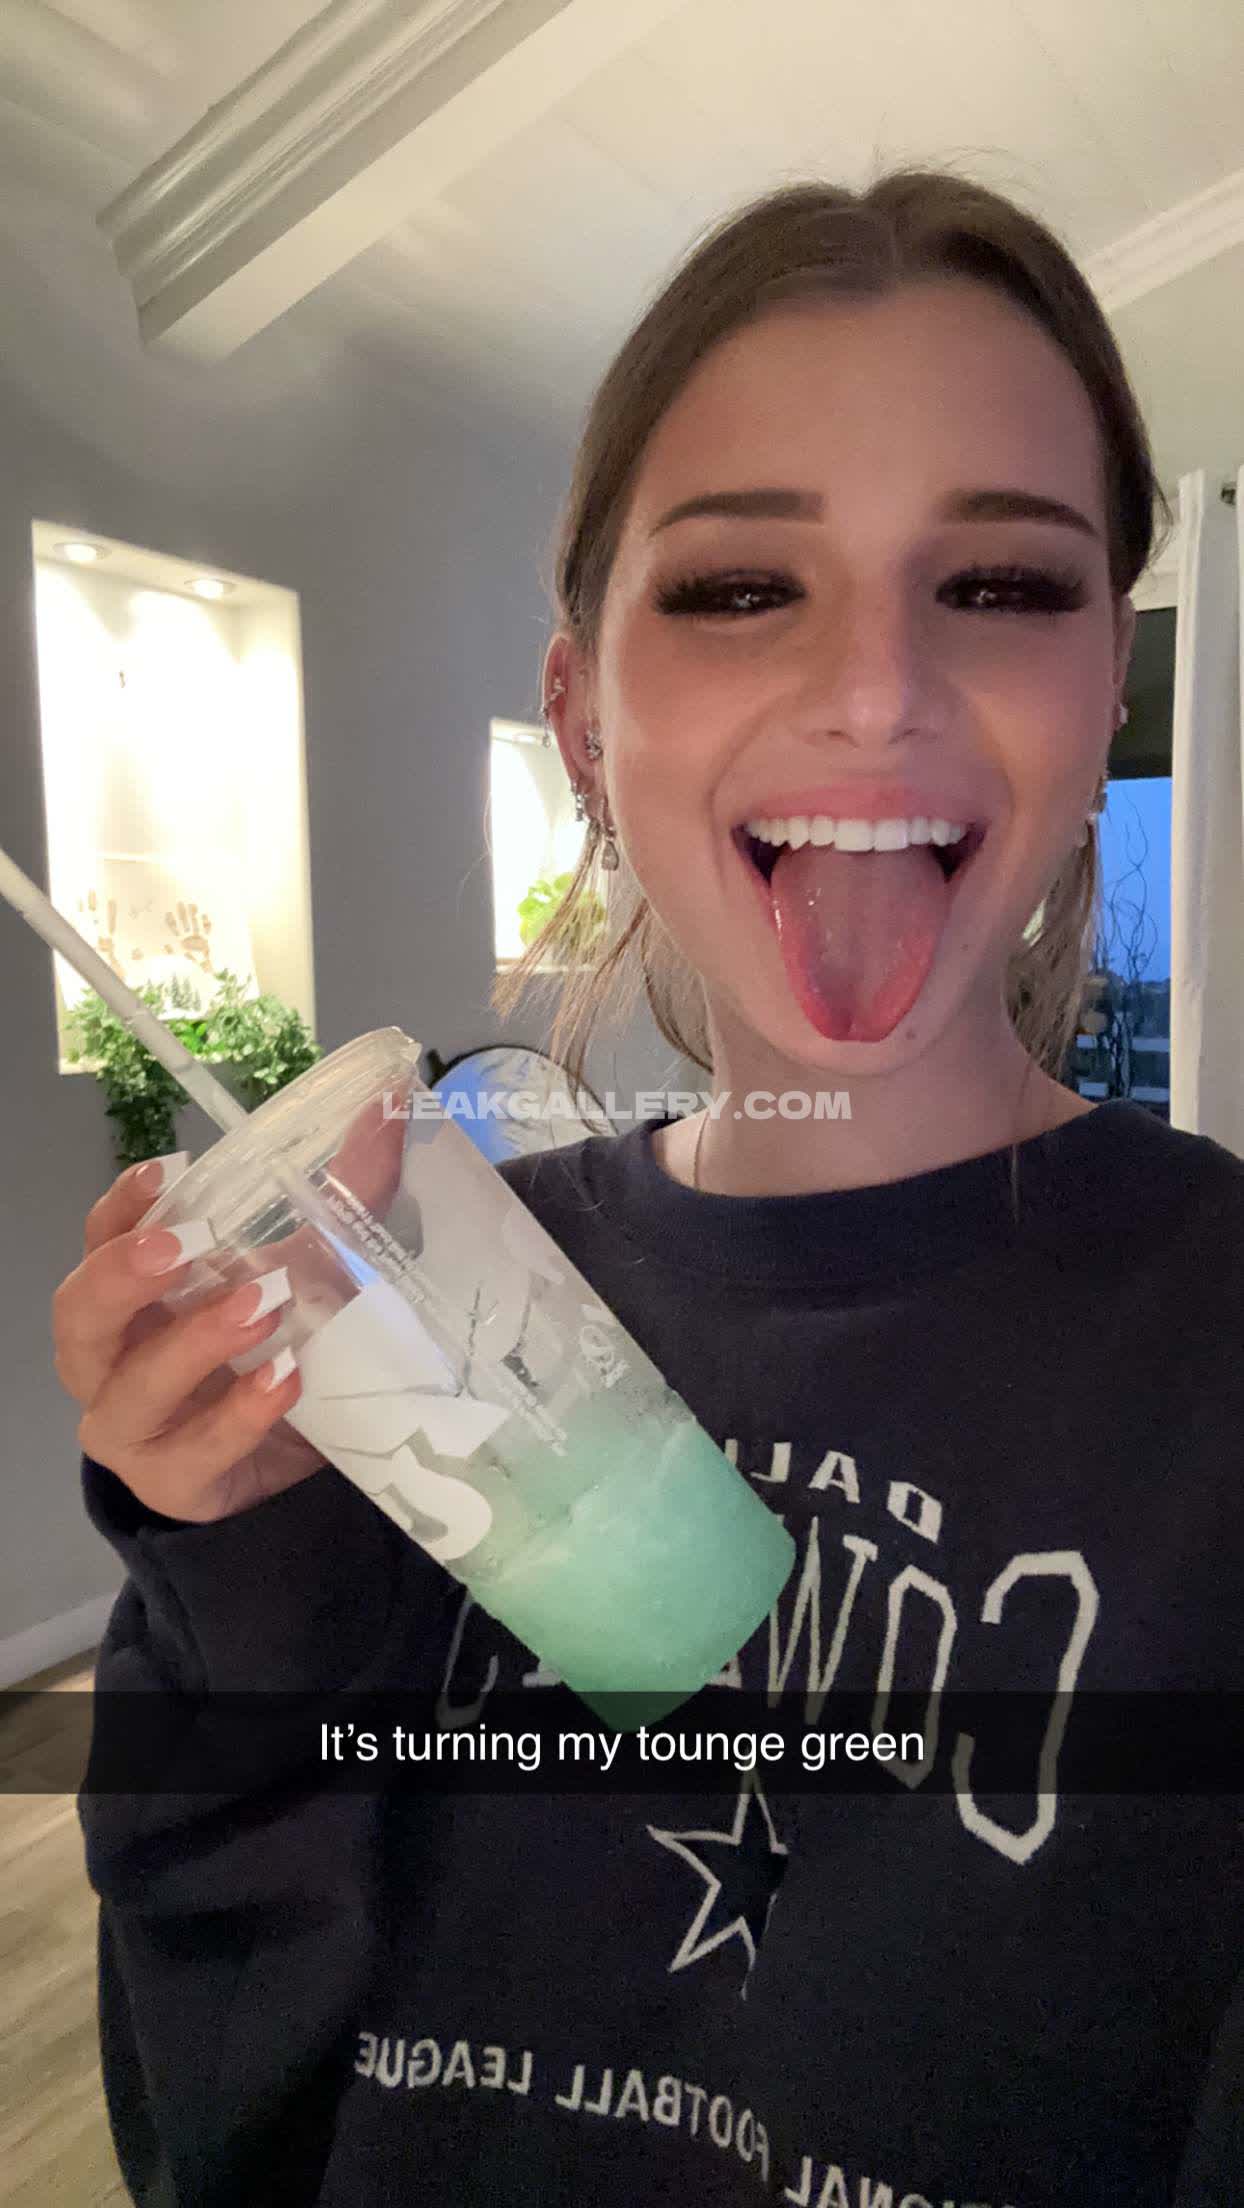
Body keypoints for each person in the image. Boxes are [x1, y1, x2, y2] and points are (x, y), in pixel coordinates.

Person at [53, 170, 1242, 2206]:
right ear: (583, 722)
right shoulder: (405, 1333)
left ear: (1099, 687)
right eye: (740, 587)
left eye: (1002, 584)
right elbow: (227, 2107)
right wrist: (237, 1564)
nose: (874, 690)